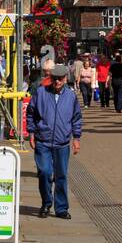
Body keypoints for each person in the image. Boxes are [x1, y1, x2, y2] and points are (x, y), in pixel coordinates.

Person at [26, 62, 82, 220]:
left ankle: (61, 208)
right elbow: (31, 113)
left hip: (62, 142)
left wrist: (76, 138)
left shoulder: (71, 96)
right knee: (44, 172)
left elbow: (76, 118)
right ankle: (46, 203)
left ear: (65, 79)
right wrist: (31, 133)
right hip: (43, 140)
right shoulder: (41, 92)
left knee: (61, 175)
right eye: (55, 78)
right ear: (50, 78)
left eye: (60, 79)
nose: (57, 82)